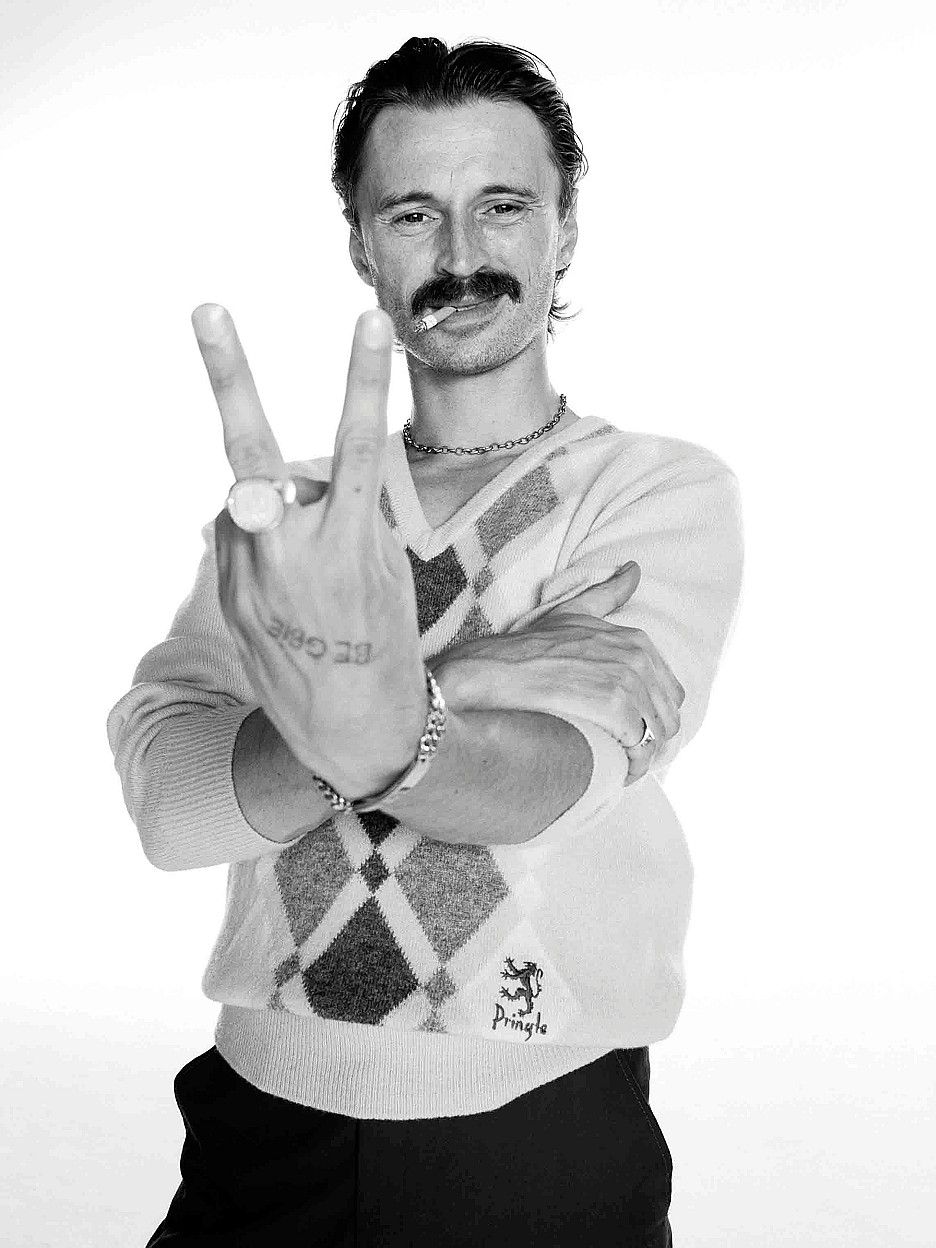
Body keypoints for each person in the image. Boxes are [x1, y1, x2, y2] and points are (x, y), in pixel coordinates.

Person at [106, 35, 744, 1247]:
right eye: (413, 213)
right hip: (260, 1136)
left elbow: (559, 776)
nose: (460, 253)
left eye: (503, 204)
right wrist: (466, 674)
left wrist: (323, 714)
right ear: (361, 243)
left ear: (564, 227)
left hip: (536, 1143)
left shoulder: (652, 491)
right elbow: (176, 813)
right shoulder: (284, 517)